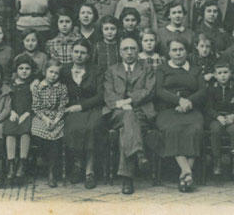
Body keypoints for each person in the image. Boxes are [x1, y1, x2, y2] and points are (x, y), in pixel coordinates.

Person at [103, 37, 156, 195]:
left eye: (133, 48)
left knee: (125, 129)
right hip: (117, 112)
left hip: (141, 111)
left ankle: (127, 179)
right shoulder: (111, 70)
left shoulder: (147, 68)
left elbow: (149, 90)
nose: (129, 52)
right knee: (127, 117)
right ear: (120, 52)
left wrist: (130, 101)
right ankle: (139, 153)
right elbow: (108, 93)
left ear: (138, 51)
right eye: (125, 49)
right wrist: (121, 104)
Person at [155, 38, 206, 192]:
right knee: (174, 129)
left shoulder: (196, 69)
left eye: (181, 49)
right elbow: (159, 91)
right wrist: (178, 101)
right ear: (169, 53)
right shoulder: (162, 69)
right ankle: (188, 172)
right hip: (168, 110)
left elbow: (203, 90)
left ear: (187, 51)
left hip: (191, 109)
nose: (178, 53)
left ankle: (184, 175)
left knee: (195, 130)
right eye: (174, 50)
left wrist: (188, 102)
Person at [60, 39, 107, 189]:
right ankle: (77, 163)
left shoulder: (97, 70)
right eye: (76, 52)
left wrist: (81, 106)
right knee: (74, 128)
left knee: (92, 127)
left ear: (88, 55)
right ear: (71, 53)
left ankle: (89, 170)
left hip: (92, 107)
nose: (79, 55)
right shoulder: (64, 70)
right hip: (71, 108)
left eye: (83, 52)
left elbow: (101, 95)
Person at [31, 59, 69, 188]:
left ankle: (52, 172)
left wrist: (56, 120)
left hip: (57, 117)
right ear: (44, 71)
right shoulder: (38, 87)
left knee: (56, 135)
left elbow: (62, 107)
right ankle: (44, 161)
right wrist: (46, 119)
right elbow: (36, 107)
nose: (53, 75)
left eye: (56, 73)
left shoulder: (62, 88)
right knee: (39, 131)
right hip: (42, 116)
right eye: (51, 72)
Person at [205, 60, 234, 176]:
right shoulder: (211, 88)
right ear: (215, 75)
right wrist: (217, 116)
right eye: (219, 73)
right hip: (217, 117)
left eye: (225, 72)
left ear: (230, 73)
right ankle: (217, 161)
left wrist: (233, 115)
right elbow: (208, 107)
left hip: (232, 117)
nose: (223, 75)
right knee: (215, 130)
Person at [3, 56, 36, 185]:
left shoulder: (32, 85)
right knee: (10, 129)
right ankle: (11, 164)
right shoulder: (10, 85)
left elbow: (35, 102)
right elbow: (6, 101)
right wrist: (11, 111)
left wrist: (27, 113)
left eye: (27, 69)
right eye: (21, 68)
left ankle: (22, 163)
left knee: (25, 130)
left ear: (31, 70)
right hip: (12, 113)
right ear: (16, 70)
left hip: (27, 114)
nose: (24, 71)